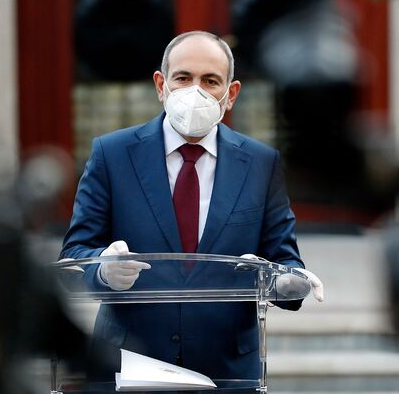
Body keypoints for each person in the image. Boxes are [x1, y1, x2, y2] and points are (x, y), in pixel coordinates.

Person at [60, 30, 323, 382]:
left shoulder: (261, 163)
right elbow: (74, 256)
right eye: (183, 78)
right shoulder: (112, 154)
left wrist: (283, 281)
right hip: (129, 365)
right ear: (161, 85)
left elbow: (287, 264)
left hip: (228, 372)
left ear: (231, 94)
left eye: (210, 81)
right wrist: (104, 270)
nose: (195, 91)